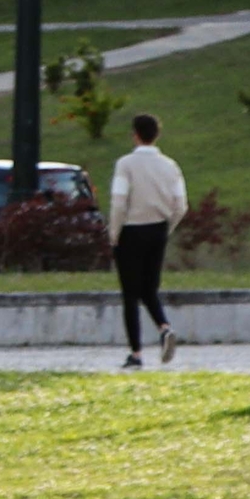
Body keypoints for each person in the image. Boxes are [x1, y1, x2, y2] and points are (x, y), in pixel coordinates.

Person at [109, 112, 187, 368]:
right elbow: (181, 205)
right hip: (158, 229)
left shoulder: (125, 164)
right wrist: (167, 227)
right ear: (157, 134)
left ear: (135, 134)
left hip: (131, 230)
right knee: (149, 288)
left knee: (130, 294)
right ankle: (164, 328)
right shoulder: (170, 165)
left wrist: (114, 234)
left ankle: (136, 353)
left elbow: (119, 202)